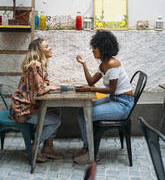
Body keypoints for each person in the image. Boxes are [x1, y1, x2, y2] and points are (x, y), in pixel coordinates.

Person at [74, 30, 134, 164]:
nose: (93, 50)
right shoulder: (103, 64)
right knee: (81, 112)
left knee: (87, 114)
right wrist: (84, 64)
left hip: (123, 104)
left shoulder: (113, 64)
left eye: (95, 47)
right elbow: (91, 82)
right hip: (115, 100)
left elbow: (111, 90)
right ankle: (87, 147)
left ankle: (91, 152)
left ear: (103, 48)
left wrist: (89, 89)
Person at [9, 38, 63, 162]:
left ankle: (48, 148)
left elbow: (44, 86)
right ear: (39, 50)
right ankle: (32, 148)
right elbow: (41, 90)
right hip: (22, 110)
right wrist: (54, 87)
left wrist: (50, 86)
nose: (50, 48)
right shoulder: (35, 64)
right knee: (55, 121)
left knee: (57, 110)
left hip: (30, 107)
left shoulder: (41, 65)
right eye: (47, 46)